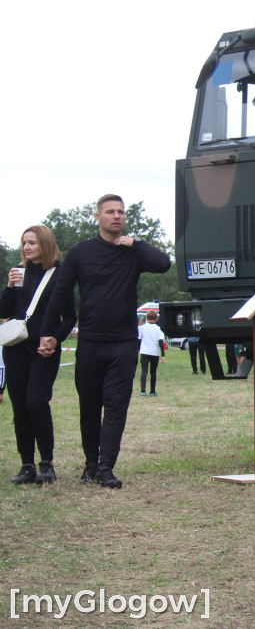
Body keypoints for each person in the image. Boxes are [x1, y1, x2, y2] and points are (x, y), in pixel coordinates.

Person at [39, 194, 172, 489]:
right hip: (90, 342)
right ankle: (89, 465)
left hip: (123, 342)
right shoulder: (80, 252)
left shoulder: (133, 253)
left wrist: (135, 243)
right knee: (89, 406)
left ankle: (106, 467)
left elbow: (163, 264)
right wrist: (48, 332)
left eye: (121, 212)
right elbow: (60, 293)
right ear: (97, 217)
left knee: (115, 407)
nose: (117, 216)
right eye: (110, 212)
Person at [1, 225, 77, 484]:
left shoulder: (59, 274)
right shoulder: (17, 272)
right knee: (20, 406)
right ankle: (26, 465)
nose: (26, 247)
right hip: (15, 349)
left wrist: (56, 338)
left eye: (31, 242)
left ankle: (47, 463)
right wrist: (9, 287)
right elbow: (4, 310)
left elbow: (70, 316)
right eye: (24, 243)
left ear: (44, 244)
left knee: (36, 402)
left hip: (44, 350)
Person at [137, 310, 166, 397]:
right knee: (153, 372)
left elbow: (139, 340)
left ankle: (143, 392)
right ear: (156, 319)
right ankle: (152, 391)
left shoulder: (142, 327)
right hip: (154, 353)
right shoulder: (159, 329)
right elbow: (161, 342)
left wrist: (137, 350)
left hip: (144, 352)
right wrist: (163, 355)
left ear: (146, 318)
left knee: (144, 371)